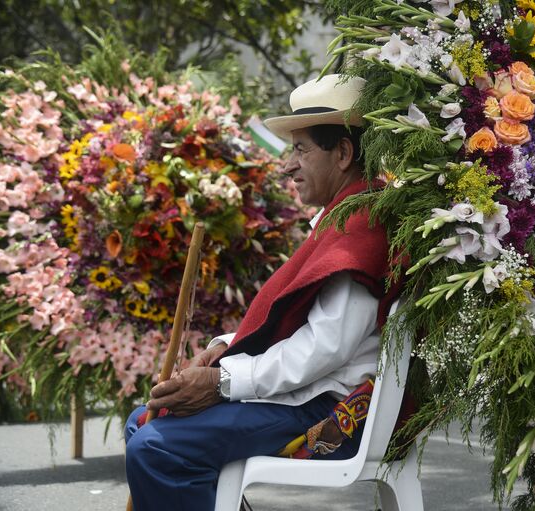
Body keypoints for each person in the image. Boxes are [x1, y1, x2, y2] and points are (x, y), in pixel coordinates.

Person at [124, 74, 400, 510]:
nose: (287, 165)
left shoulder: (359, 226)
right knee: (143, 422)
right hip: (307, 394)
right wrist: (223, 348)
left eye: (300, 150)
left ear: (343, 153)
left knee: (156, 447)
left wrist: (223, 382)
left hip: (327, 409)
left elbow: (326, 346)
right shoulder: (349, 215)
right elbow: (304, 326)